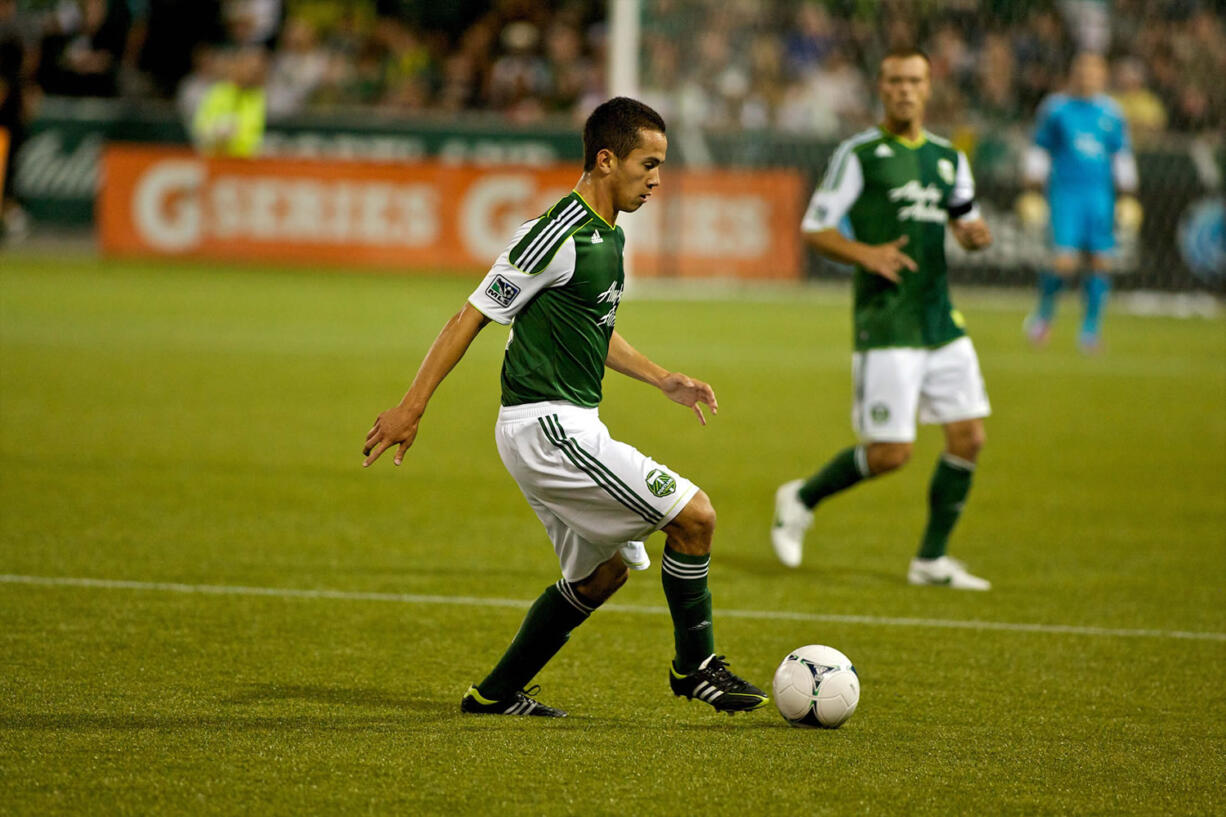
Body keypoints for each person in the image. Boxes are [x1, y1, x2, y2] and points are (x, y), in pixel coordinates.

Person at [363, 97, 767, 717]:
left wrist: (663, 379)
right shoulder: (558, 232)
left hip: (564, 423)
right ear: (606, 160)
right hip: (547, 427)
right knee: (696, 517)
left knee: (602, 575)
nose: (657, 179)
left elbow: (593, 327)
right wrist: (410, 406)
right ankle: (697, 668)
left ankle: (493, 694)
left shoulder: (607, 235)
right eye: (647, 163)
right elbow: (471, 313)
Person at [771, 47, 994, 590]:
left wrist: (974, 235)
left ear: (928, 87)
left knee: (968, 437)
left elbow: (967, 220)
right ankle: (801, 498)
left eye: (915, 80)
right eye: (895, 80)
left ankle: (931, 560)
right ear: (881, 86)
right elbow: (815, 228)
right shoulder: (860, 154)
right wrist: (867, 253)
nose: (905, 90)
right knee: (891, 453)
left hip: (939, 317)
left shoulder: (949, 157)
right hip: (887, 319)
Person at [1019, 52, 1140, 353]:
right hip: (1066, 193)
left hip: (1100, 195)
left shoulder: (1111, 112)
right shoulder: (1056, 108)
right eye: (1082, 69)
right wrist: (1032, 189)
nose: (1087, 75)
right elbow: (1041, 148)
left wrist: (1128, 194)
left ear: (1103, 76)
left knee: (1100, 262)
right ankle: (1043, 317)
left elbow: (1120, 153)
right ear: (1073, 73)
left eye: (1094, 71)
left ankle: (1090, 332)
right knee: (1065, 261)